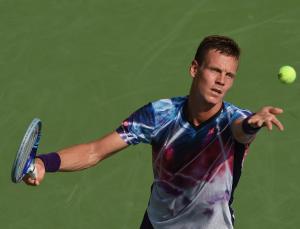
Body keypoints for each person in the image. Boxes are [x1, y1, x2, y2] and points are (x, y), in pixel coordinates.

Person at [24, 35, 284, 229]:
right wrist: (44, 162)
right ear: (195, 69)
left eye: (229, 75)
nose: (221, 81)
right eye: (215, 70)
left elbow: (242, 131)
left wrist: (253, 123)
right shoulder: (160, 114)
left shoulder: (234, 119)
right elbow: (95, 151)